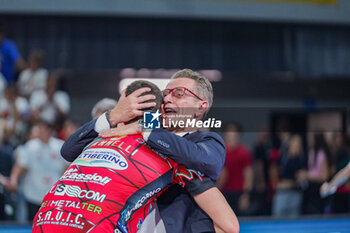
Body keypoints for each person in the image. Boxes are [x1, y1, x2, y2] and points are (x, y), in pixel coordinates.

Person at [33, 80, 238, 233]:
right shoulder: (165, 153)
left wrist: (123, 121)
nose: (169, 100)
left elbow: (67, 150)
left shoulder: (96, 140)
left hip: (43, 223)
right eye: (166, 96)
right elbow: (229, 226)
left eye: (178, 94)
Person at [6, 120, 68, 221]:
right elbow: (20, 165)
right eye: (39, 129)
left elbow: (67, 166)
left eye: (43, 129)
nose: (40, 132)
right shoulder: (30, 146)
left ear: (50, 131)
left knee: (50, 222)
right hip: (33, 193)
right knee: (32, 223)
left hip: (53, 194)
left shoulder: (59, 146)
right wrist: (14, 179)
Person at [216, 122, 253, 216]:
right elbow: (220, 174)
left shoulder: (244, 152)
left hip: (238, 193)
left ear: (239, 135)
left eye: (234, 133)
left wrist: (245, 195)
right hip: (223, 193)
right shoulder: (220, 151)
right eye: (229, 133)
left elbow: (248, 175)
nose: (231, 136)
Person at [272, 134, 307, 217]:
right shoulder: (283, 157)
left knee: (294, 218)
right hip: (282, 192)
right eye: (294, 144)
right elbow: (275, 170)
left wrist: (292, 183)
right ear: (290, 145)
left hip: (296, 193)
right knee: (278, 216)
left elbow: (303, 177)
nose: (296, 147)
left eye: (298, 145)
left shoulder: (302, 159)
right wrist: (277, 183)